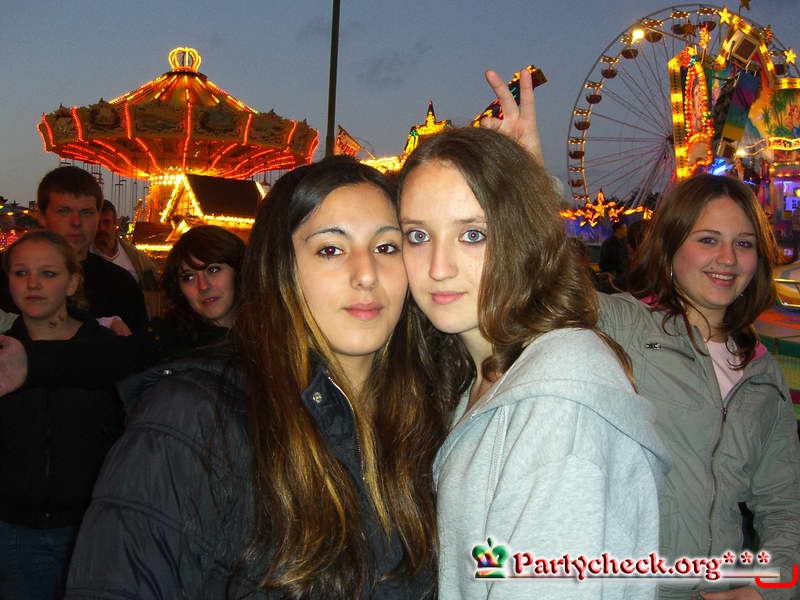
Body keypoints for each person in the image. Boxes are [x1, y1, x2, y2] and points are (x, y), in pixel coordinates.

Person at [64, 157, 449, 598]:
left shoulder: (433, 413)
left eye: (386, 248)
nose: (366, 275)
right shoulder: (194, 418)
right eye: (330, 249)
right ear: (280, 268)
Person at [398, 126, 668, 599]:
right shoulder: (480, 375)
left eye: (473, 235)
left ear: (523, 238)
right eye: (418, 236)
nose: (438, 267)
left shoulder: (557, 407)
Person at [599, 174, 800, 599]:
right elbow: (531, 281)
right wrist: (527, 173)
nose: (728, 258)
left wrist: (766, 588)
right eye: (708, 240)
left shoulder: (762, 373)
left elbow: (785, 501)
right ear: (669, 247)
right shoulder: (621, 326)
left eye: (744, 244)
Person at [0, 230, 122, 599]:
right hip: (13, 531)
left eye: (48, 273)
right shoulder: (3, 352)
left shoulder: (108, 352)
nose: (33, 283)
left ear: (72, 283)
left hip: (93, 530)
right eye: (21, 273)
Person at [0, 166, 148, 333]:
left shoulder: (121, 284)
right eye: (63, 211)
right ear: (41, 216)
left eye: (86, 212)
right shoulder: (4, 275)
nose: (76, 222)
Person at [147, 225, 244, 360]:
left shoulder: (269, 338)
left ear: (239, 271)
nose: (203, 286)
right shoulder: (163, 347)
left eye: (213, 270)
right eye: (189, 277)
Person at [92, 200, 160, 293]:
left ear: (115, 223)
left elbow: (155, 288)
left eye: (106, 222)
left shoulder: (137, 258)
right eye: (97, 223)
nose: (102, 228)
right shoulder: (81, 258)